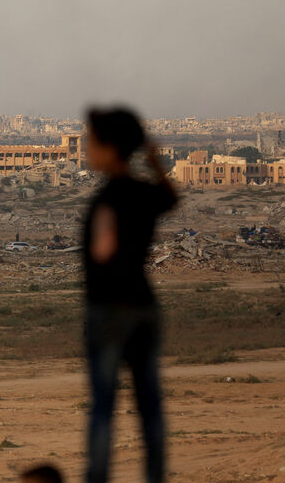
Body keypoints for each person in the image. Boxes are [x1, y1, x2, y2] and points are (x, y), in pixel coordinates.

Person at [82, 107, 177, 483]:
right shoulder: (143, 193)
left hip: (108, 311)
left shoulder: (108, 198)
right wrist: (155, 164)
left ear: (109, 148)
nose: (86, 148)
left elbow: (104, 250)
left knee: (104, 406)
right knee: (149, 404)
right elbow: (170, 199)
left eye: (91, 141)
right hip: (143, 306)